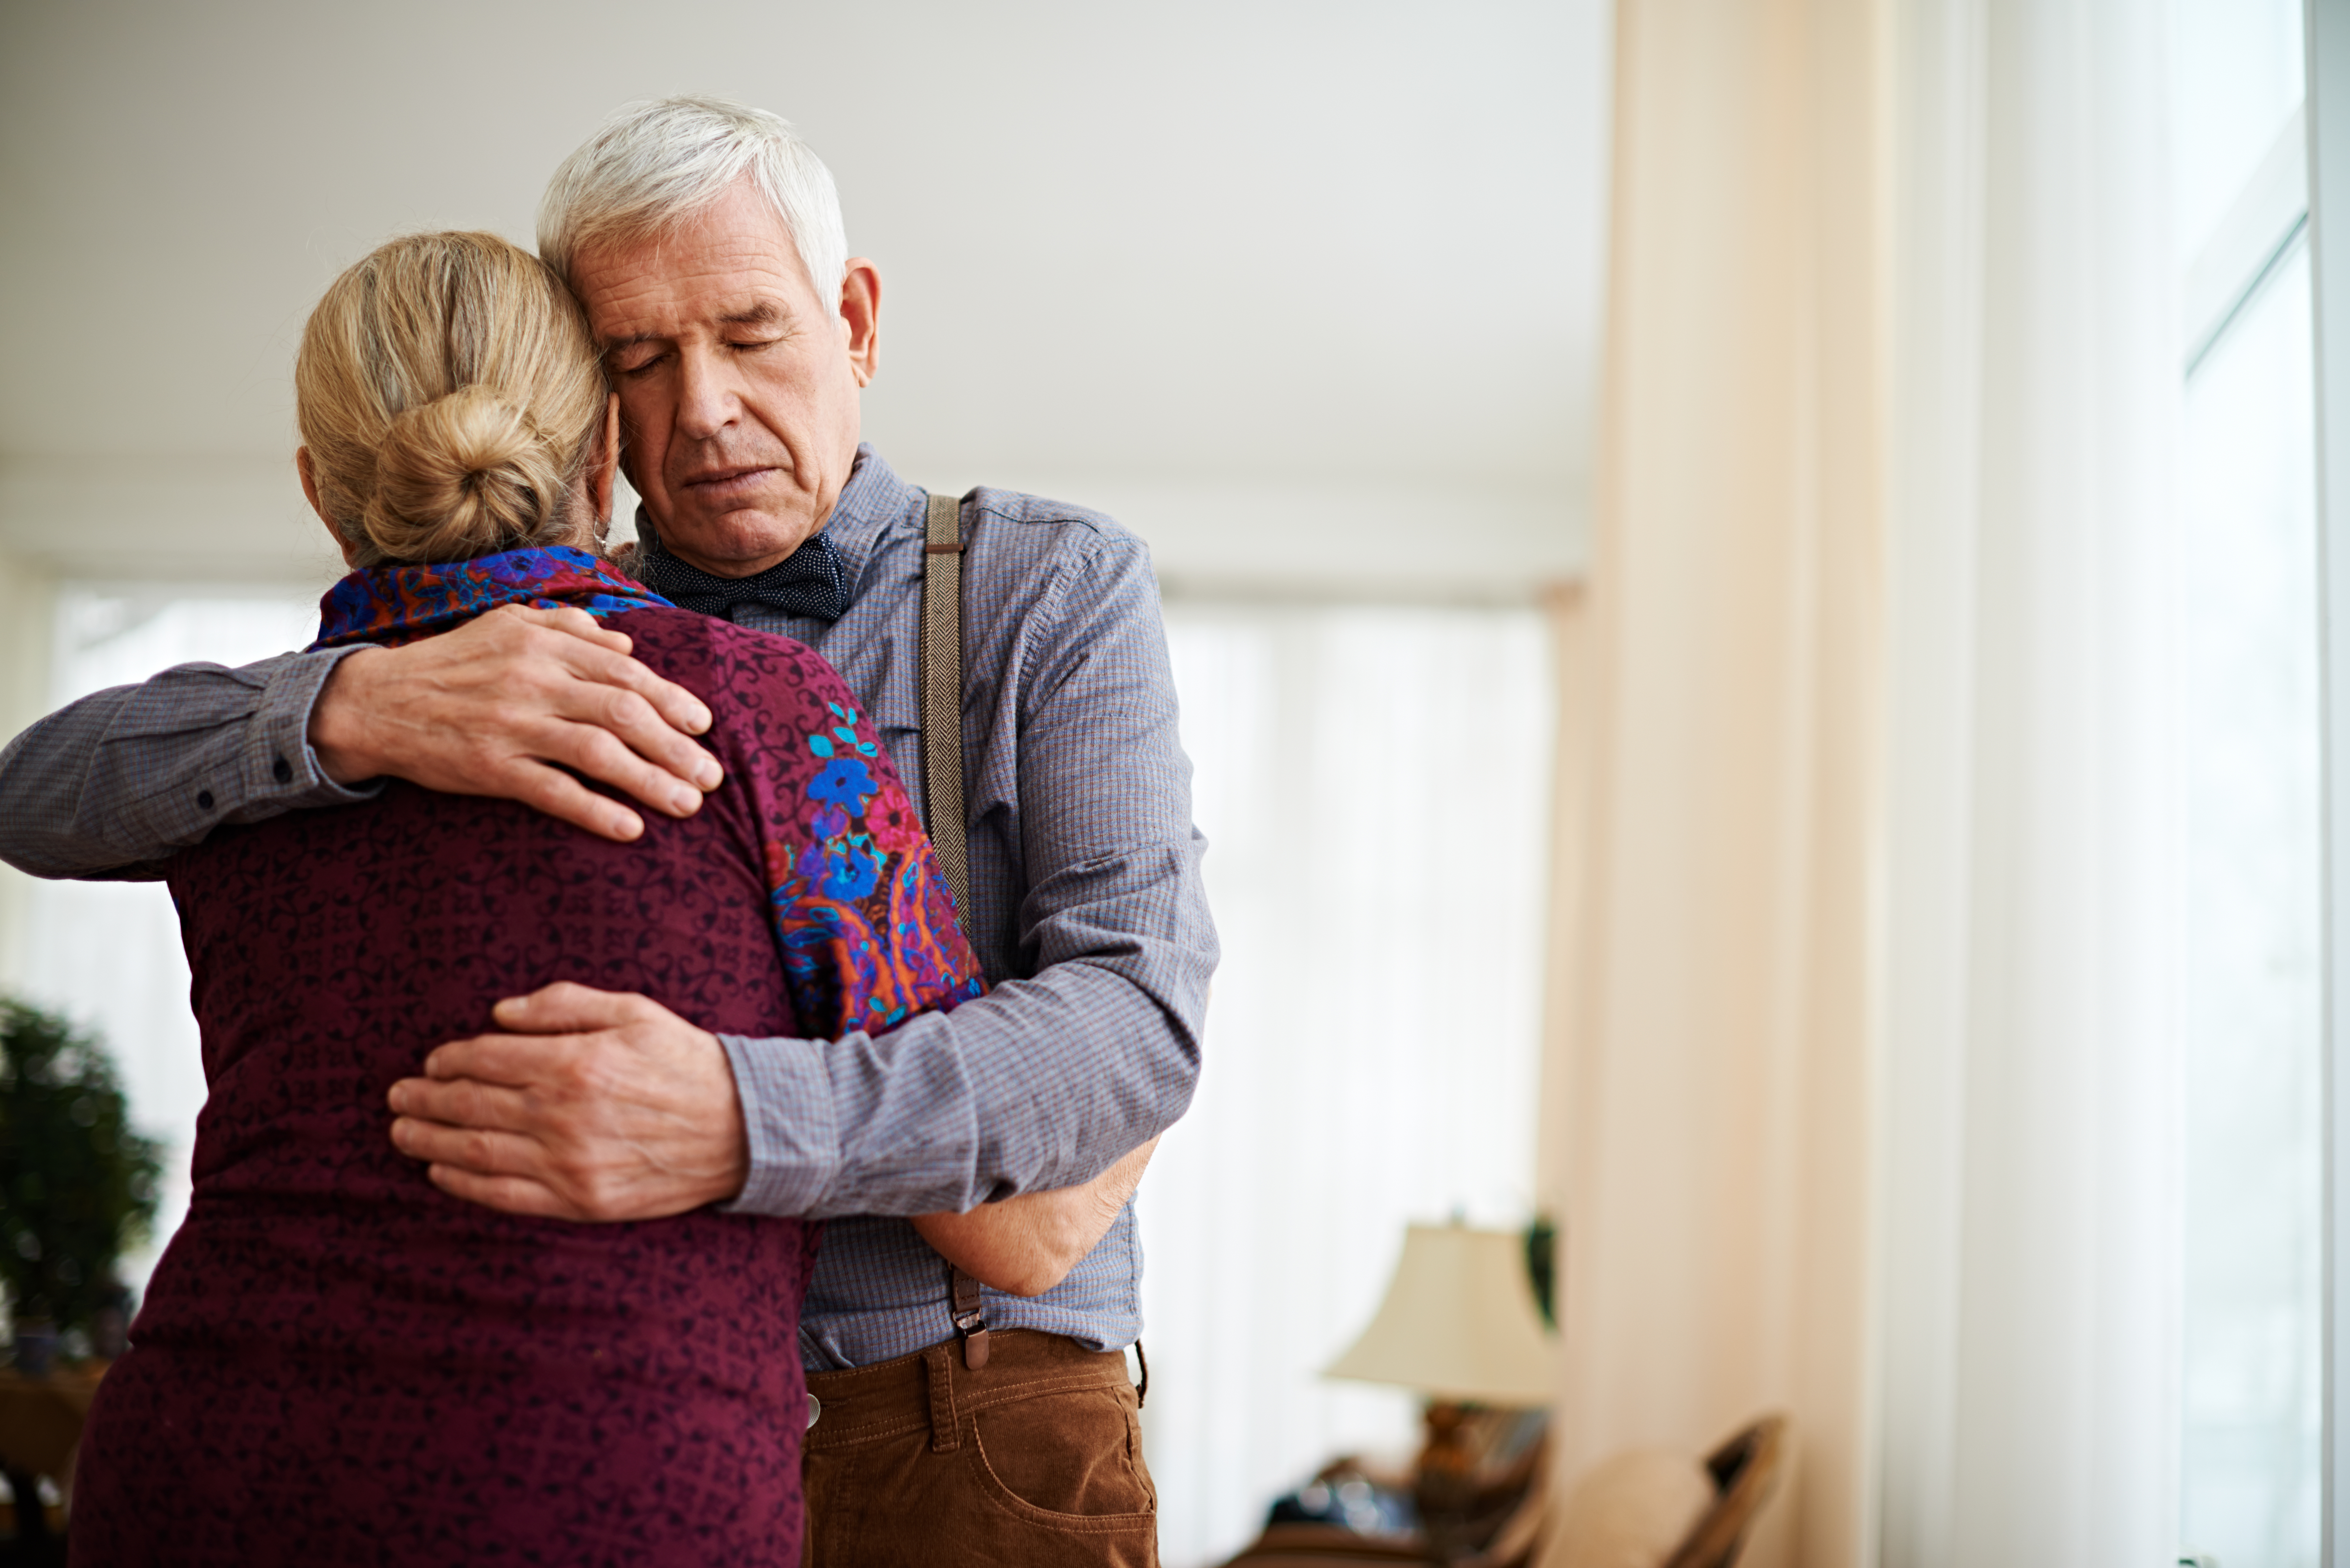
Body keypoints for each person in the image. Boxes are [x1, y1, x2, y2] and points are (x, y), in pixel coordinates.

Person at [4, 97, 1212, 1565]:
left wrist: (735, 1116)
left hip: (966, 1422)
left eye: (752, 334)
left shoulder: (1046, 587)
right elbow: (41, 786)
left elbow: (1133, 1027)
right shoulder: (469, 647)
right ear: (585, 416)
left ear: (854, 321)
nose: (700, 408)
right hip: (617, 1435)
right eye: (638, 360)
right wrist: (347, 713)